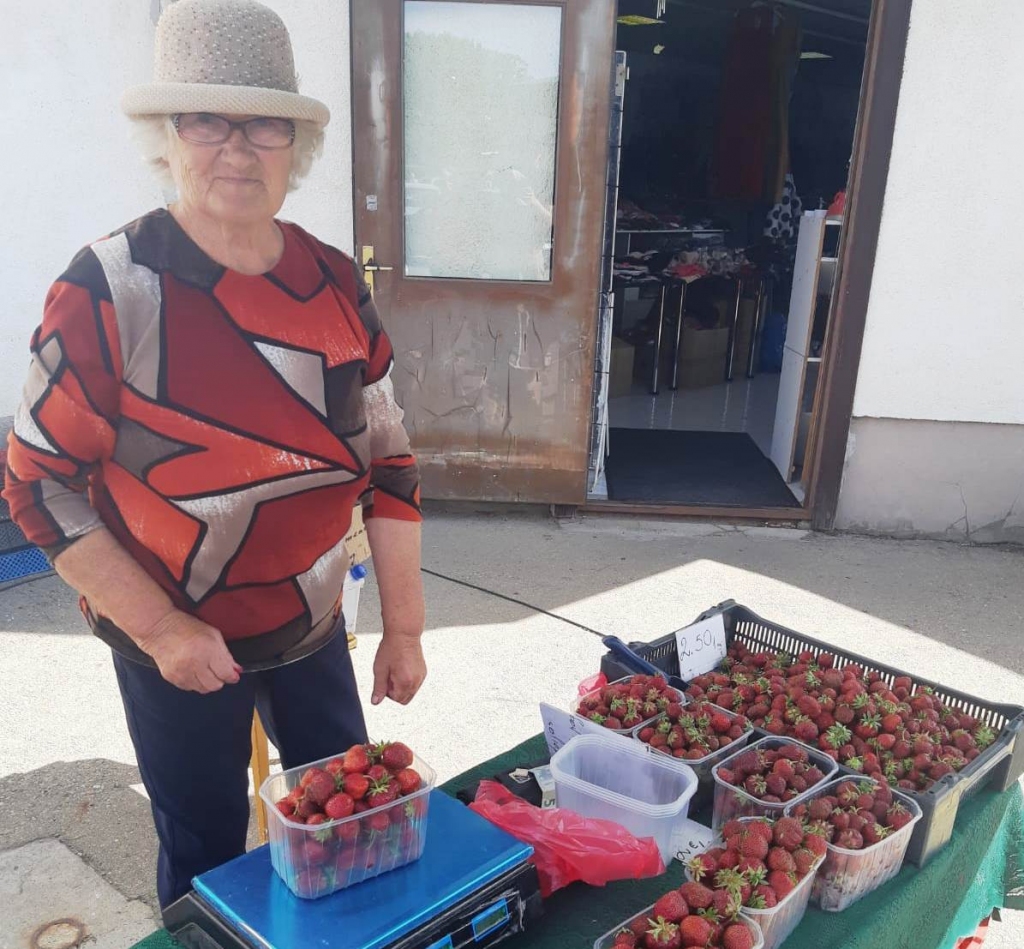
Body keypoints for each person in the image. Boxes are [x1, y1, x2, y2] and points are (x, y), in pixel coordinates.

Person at [2, 0, 426, 912]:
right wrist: (160, 630)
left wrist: (406, 626)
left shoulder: (337, 282)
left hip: (312, 623)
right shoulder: (108, 288)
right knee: (202, 843)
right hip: (172, 638)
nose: (236, 148)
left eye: (263, 122)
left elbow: (391, 465)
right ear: (169, 136)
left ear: (295, 143)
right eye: (206, 121)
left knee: (348, 825)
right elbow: (36, 482)